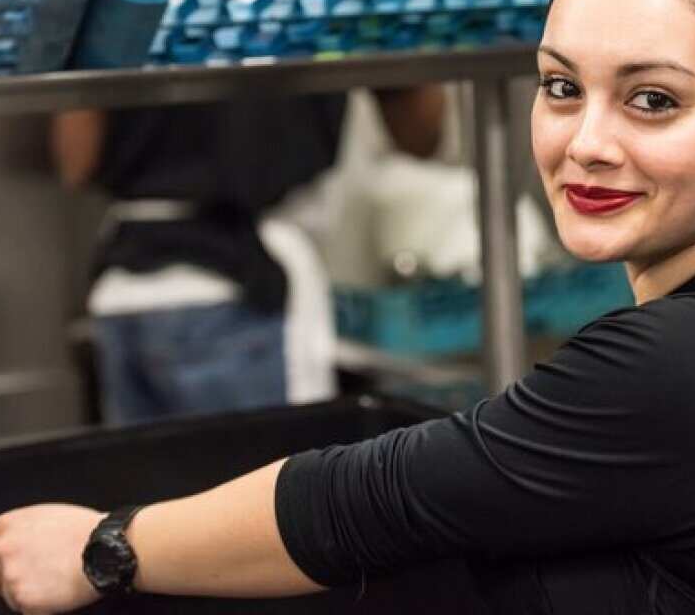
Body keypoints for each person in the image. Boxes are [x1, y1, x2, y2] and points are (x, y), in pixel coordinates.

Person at [0, 0, 695, 612]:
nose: (586, 142)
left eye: (653, 99)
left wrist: (104, 548)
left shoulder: (691, 358)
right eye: (563, 88)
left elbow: (365, 501)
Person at [52, 87, 443, 424]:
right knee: (268, 498)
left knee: (150, 502)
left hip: (124, 297)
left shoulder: (120, 8)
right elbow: (422, 132)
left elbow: (76, 161)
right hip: (239, 295)